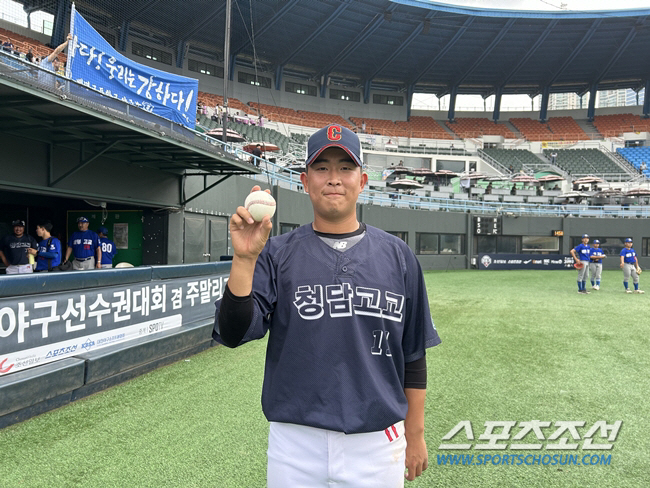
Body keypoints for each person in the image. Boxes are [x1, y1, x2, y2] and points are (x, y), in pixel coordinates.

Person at [213, 124, 441, 486]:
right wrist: (244, 260)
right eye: (322, 168)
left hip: (378, 442)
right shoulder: (276, 253)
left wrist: (415, 434)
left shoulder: (398, 256)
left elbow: (413, 356)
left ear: (362, 180)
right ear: (305, 181)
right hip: (295, 442)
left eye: (345, 168)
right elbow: (233, 333)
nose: (333, 178)